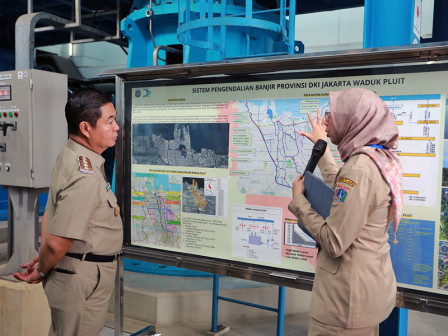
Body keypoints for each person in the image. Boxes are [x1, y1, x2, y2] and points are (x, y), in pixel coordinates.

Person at [288, 88, 403, 336]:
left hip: (344, 305)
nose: (327, 120)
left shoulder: (360, 168)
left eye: (332, 114)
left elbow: (334, 241)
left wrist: (299, 202)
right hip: (364, 292)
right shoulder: (376, 158)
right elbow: (344, 191)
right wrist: (322, 148)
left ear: (355, 119)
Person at [13, 90, 123, 336]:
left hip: (73, 269)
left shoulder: (72, 155)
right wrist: (42, 269)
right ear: (86, 127)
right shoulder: (85, 175)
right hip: (82, 277)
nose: (116, 127)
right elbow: (56, 242)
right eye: (110, 121)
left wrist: (43, 260)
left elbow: (53, 216)